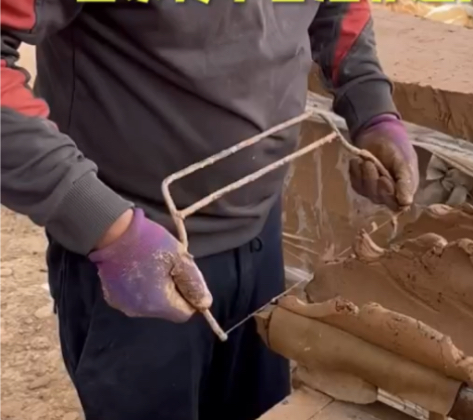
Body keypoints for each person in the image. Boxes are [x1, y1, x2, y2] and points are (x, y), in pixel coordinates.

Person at [0, 1, 420, 419]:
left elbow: (336, 7)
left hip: (259, 233)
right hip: (135, 252)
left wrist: (372, 108)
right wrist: (101, 223)